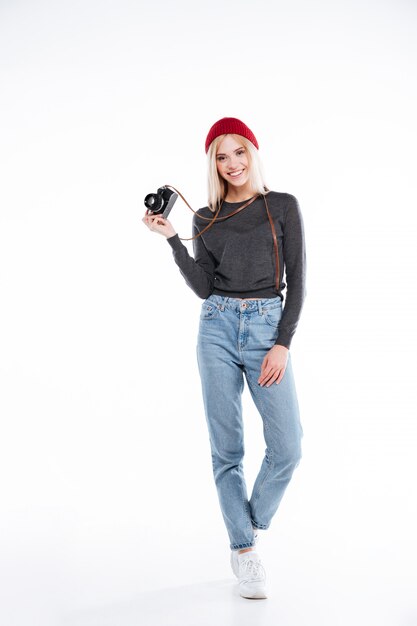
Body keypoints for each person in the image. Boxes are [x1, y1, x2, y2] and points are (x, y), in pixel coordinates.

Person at [142, 117, 306, 600]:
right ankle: (244, 551)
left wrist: (282, 343)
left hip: (265, 327)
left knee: (288, 445)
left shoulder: (282, 206)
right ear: (212, 163)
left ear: (252, 153)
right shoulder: (205, 217)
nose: (232, 163)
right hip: (215, 326)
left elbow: (298, 279)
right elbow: (203, 287)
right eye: (221, 155)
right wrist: (173, 239)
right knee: (227, 448)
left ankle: (248, 521)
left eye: (239, 152)